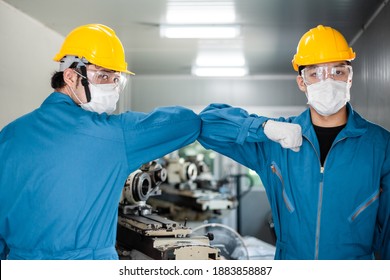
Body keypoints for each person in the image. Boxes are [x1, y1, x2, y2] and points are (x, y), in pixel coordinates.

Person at [0, 24, 200, 260]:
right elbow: (187, 124)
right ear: (71, 76)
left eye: (117, 79)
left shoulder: (9, 135)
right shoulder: (112, 135)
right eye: (103, 75)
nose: (112, 87)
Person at [198, 25, 390, 259]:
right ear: (301, 82)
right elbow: (207, 124)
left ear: (350, 78)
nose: (328, 82)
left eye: (338, 72)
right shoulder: (275, 140)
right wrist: (262, 127)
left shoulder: (380, 146)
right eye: (315, 73)